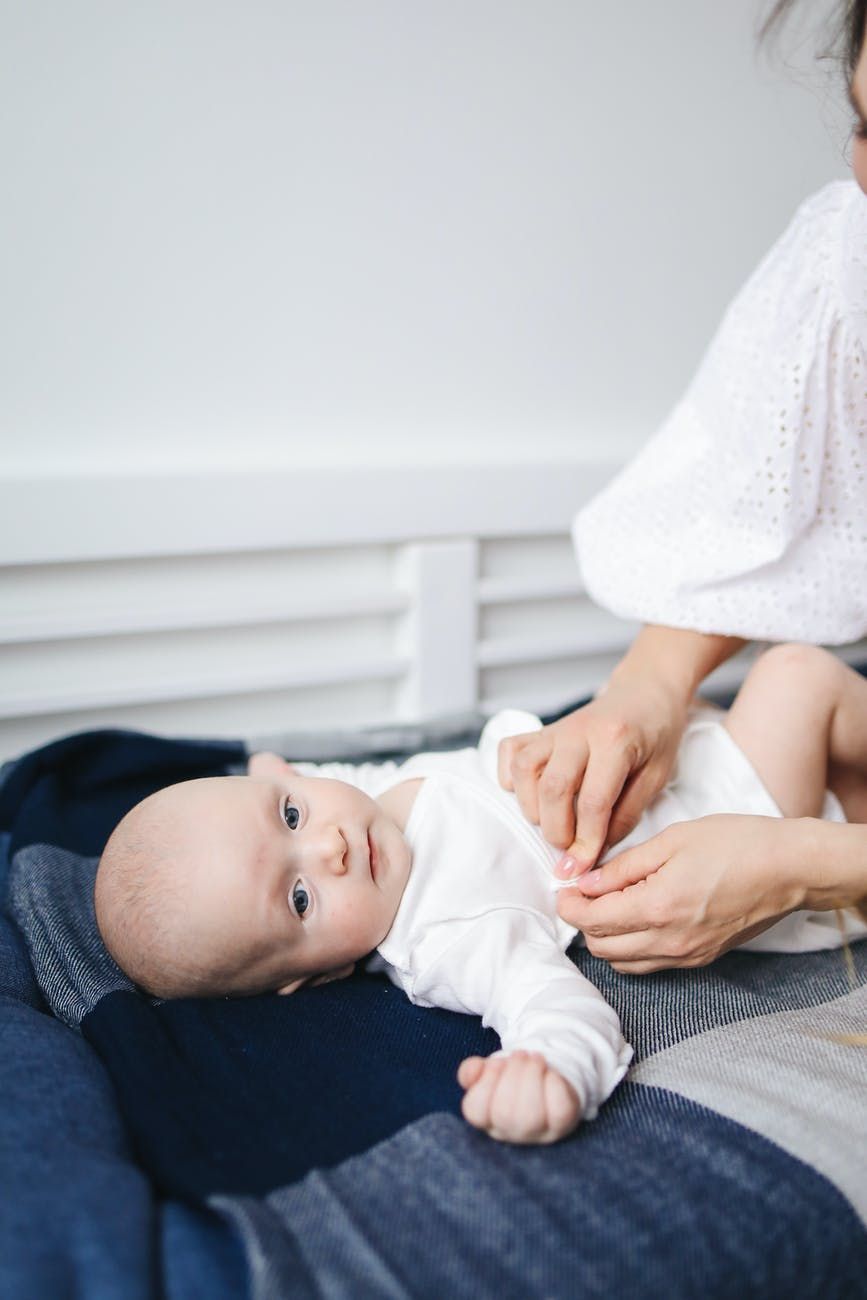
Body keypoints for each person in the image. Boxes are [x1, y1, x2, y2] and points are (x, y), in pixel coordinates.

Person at [95, 646, 867, 1144]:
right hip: (736, 834)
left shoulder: (360, 808)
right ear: (317, 974)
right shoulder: (448, 935)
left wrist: (274, 779)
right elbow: (550, 1007)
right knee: (795, 677)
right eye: (299, 899)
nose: (328, 848)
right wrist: (548, 1072)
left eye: (291, 817)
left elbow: (309, 785)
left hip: (698, 764)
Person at [499, 0, 867, 971]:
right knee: (792, 677)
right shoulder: (845, 256)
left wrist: (803, 864)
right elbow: (768, 502)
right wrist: (648, 687)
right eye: (866, 124)